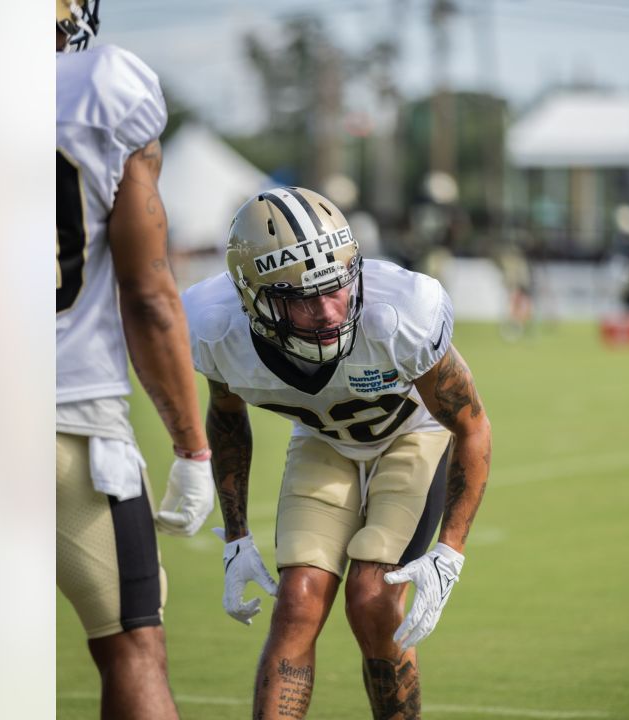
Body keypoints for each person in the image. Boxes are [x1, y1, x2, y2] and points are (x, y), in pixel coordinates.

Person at [182, 187, 492, 719]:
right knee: (297, 602)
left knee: (372, 601)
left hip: (412, 435)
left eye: (337, 288)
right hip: (324, 442)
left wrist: (450, 552)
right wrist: (236, 537)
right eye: (303, 298)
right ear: (252, 298)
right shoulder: (214, 329)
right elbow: (227, 415)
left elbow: (472, 426)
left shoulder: (398, 311)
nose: (328, 311)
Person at [56, 2, 214, 717]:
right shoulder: (103, 85)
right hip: (71, 423)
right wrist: (192, 448)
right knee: (132, 649)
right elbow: (148, 295)